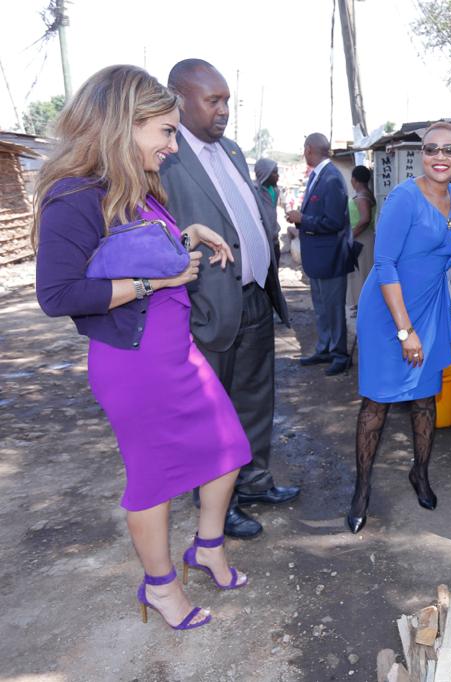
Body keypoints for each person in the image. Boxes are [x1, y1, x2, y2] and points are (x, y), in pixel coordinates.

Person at [34, 65, 249, 630]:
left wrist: (187, 235)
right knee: (154, 479)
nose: (172, 145)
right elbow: (58, 294)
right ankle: (159, 587)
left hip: (176, 352)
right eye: (166, 131)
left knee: (228, 448)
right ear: (123, 124)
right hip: (134, 363)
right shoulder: (74, 195)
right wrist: (158, 283)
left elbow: (137, 251)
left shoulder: (133, 186)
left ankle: (206, 547)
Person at [160, 59, 298, 539]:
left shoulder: (233, 150)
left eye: (226, 101)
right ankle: (219, 503)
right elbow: (158, 230)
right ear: (179, 99)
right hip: (209, 304)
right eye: (212, 101)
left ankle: (254, 480)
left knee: (255, 397)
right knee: (211, 413)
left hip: (254, 295)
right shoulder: (167, 155)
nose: (223, 110)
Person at [348, 121, 451, 533]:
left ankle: (420, 473)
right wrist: (405, 332)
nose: (440, 157)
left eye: (449, 150)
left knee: (424, 399)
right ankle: (361, 490)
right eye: (431, 149)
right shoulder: (404, 198)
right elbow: (384, 264)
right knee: (377, 403)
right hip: (389, 313)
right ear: (423, 155)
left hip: (431, 310)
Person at [285, 133, 352, 376]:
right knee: (322, 309)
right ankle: (324, 349)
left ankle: (340, 355)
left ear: (309, 149)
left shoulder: (331, 178)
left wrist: (303, 219)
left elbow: (334, 222)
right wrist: (301, 222)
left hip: (330, 258)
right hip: (318, 258)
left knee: (333, 309)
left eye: (304, 149)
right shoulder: (319, 175)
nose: (303, 153)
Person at [346, 164, 376, 316]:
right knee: (361, 272)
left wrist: (351, 235)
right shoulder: (366, 194)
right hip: (364, 237)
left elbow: (365, 219)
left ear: (354, 180)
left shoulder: (362, 196)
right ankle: (360, 304)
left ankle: (362, 307)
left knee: (361, 273)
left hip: (361, 238)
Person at [253, 157, 282, 262]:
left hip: (274, 241)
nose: (278, 175)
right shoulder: (254, 192)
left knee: (274, 269)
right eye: (274, 172)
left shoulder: (275, 191)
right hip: (260, 243)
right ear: (266, 173)